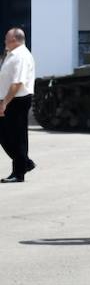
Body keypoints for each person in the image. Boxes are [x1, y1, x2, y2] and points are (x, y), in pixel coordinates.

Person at [0, 28, 37, 183]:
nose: (4, 41)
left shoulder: (21, 56)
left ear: (15, 40)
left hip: (17, 100)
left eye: (7, 39)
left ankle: (19, 172)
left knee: (17, 136)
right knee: (6, 135)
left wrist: (5, 103)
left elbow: (17, 83)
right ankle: (24, 163)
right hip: (10, 99)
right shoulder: (12, 54)